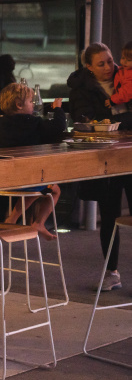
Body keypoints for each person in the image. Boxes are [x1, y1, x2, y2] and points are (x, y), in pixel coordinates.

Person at [68, 43, 132, 291]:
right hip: (106, 158)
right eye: (101, 63)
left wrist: (116, 120)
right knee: (109, 217)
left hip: (129, 154)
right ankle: (111, 272)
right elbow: (83, 120)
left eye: (110, 60)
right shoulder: (81, 89)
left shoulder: (125, 75)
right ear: (89, 67)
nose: (109, 67)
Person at [0, 83, 66, 241]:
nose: (33, 105)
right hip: (27, 180)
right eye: (31, 102)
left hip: (3, 180)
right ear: (19, 104)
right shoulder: (34, 123)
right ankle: (37, 223)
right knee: (53, 189)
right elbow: (58, 127)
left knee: (34, 182)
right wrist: (58, 109)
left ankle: (13, 219)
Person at [107, 41, 132, 108]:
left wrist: (113, 100)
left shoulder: (130, 75)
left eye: (129, 60)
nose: (124, 62)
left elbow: (127, 92)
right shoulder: (125, 69)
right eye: (123, 58)